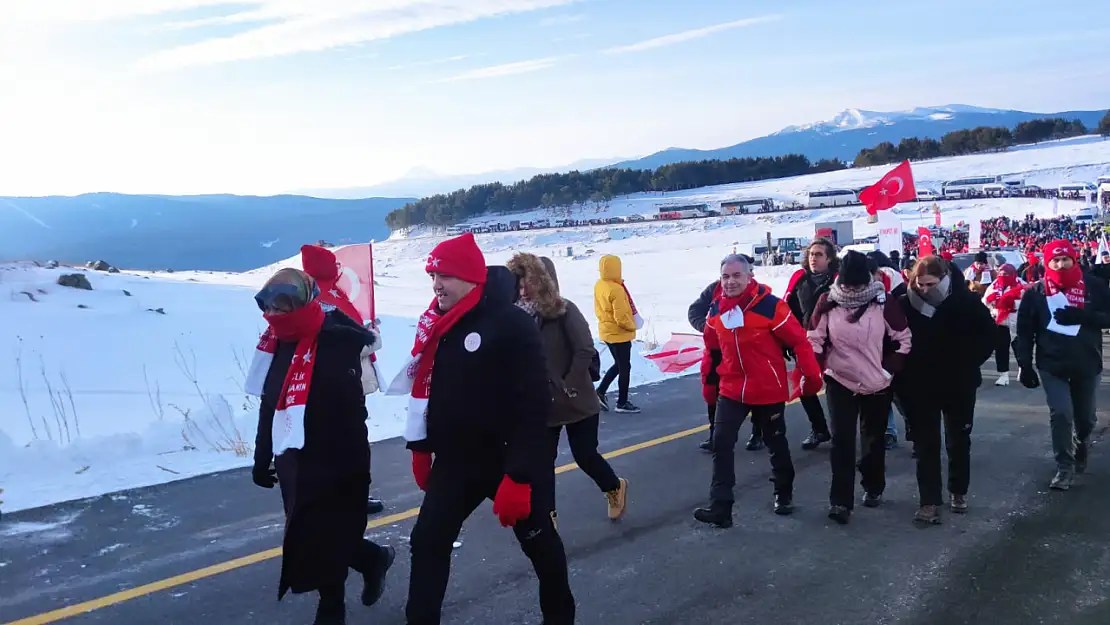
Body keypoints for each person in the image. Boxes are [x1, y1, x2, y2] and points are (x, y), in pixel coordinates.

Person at [395, 233, 575, 625]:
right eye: (432, 276)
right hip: (457, 462)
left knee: (540, 545)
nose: (436, 285)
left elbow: (533, 404)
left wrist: (519, 476)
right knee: (427, 542)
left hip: (511, 458)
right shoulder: (438, 323)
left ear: (470, 278)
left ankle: (560, 617)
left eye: (444, 276)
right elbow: (430, 392)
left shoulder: (510, 323)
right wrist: (422, 448)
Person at [251, 268, 395, 625]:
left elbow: (352, 414)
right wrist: (261, 457)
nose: (275, 317)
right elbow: (270, 402)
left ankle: (332, 610)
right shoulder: (275, 343)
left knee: (327, 537)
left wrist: (353, 474)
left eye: (284, 308)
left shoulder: (337, 341)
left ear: (302, 303)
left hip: (336, 459)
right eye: (270, 309)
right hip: (294, 460)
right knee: (311, 537)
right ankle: (371, 559)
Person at [693, 254, 822, 527]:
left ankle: (783, 493)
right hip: (732, 388)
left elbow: (799, 343)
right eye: (725, 277)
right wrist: (709, 380)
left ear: (749, 277)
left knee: (776, 443)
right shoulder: (717, 310)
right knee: (722, 442)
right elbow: (712, 346)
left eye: (736, 276)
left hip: (766, 388)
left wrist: (811, 378)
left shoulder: (770, 307)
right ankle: (721, 507)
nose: (730, 282)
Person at [506, 252, 629, 523]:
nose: (524, 290)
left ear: (545, 282)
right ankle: (547, 517)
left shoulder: (564, 310)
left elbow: (585, 349)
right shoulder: (514, 318)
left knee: (585, 455)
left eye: (530, 282)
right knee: (541, 464)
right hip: (540, 407)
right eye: (519, 283)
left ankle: (614, 486)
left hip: (575, 401)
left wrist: (569, 384)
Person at [808, 251, 912, 524]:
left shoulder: (883, 301)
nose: (851, 290)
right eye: (847, 284)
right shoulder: (828, 301)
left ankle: (873, 484)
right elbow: (814, 338)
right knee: (841, 440)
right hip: (839, 379)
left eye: (857, 284)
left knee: (873, 438)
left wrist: (888, 368)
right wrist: (817, 367)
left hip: (876, 381)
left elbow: (903, 339)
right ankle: (840, 502)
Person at [896, 256, 995, 525]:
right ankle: (929, 501)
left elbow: (989, 336)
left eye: (932, 284)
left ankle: (958, 491)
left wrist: (968, 360)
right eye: (921, 284)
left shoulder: (966, 302)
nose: (926, 289)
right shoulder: (905, 304)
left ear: (944, 280)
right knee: (926, 445)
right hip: (919, 385)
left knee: (958, 440)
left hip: (959, 383)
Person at [1013, 239, 1110, 491]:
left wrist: (1085, 316)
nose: (1060, 263)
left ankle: (1081, 440)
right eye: (1055, 260)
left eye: (1065, 259)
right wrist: (1024, 363)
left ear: (1073, 259)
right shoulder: (1036, 293)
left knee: (1085, 419)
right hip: (1051, 363)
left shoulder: (1094, 286)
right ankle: (1064, 468)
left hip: (1087, 361)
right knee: (1061, 413)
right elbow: (1024, 331)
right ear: (1047, 262)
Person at [300, 243, 385, 515]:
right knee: (351, 444)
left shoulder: (312, 296)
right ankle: (353, 496)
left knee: (336, 442)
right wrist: (373, 336)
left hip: (331, 382)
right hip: (346, 382)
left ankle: (338, 494)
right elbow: (349, 345)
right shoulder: (330, 298)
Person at [688, 279, 762, 452]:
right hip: (717, 351)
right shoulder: (714, 289)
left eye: (737, 274)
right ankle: (715, 435)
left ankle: (758, 433)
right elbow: (695, 310)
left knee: (752, 392)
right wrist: (707, 327)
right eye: (727, 274)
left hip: (746, 351)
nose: (731, 280)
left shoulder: (758, 293)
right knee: (712, 391)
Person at [784, 238, 837, 450]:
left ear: (829, 258)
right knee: (805, 387)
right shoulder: (799, 279)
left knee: (839, 387)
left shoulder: (838, 279)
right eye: (811, 254)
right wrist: (787, 339)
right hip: (805, 342)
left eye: (819, 255)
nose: (813, 258)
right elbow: (788, 310)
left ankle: (843, 431)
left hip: (835, 342)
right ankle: (820, 429)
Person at [594, 254, 642, 413]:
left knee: (619, 364)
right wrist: (631, 327)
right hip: (619, 333)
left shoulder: (600, 285)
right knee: (624, 367)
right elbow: (621, 317)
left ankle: (600, 391)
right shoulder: (617, 290)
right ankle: (622, 402)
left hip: (606, 331)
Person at [983, 263, 1024, 387]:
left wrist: (1013, 304)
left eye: (1005, 274)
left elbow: (1028, 302)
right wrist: (990, 302)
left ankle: (1022, 368)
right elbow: (985, 301)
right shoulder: (995, 285)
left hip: (1016, 320)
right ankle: (1003, 374)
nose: (1002, 276)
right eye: (1000, 274)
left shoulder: (1020, 285)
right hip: (1000, 320)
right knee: (1001, 348)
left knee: (1019, 347)